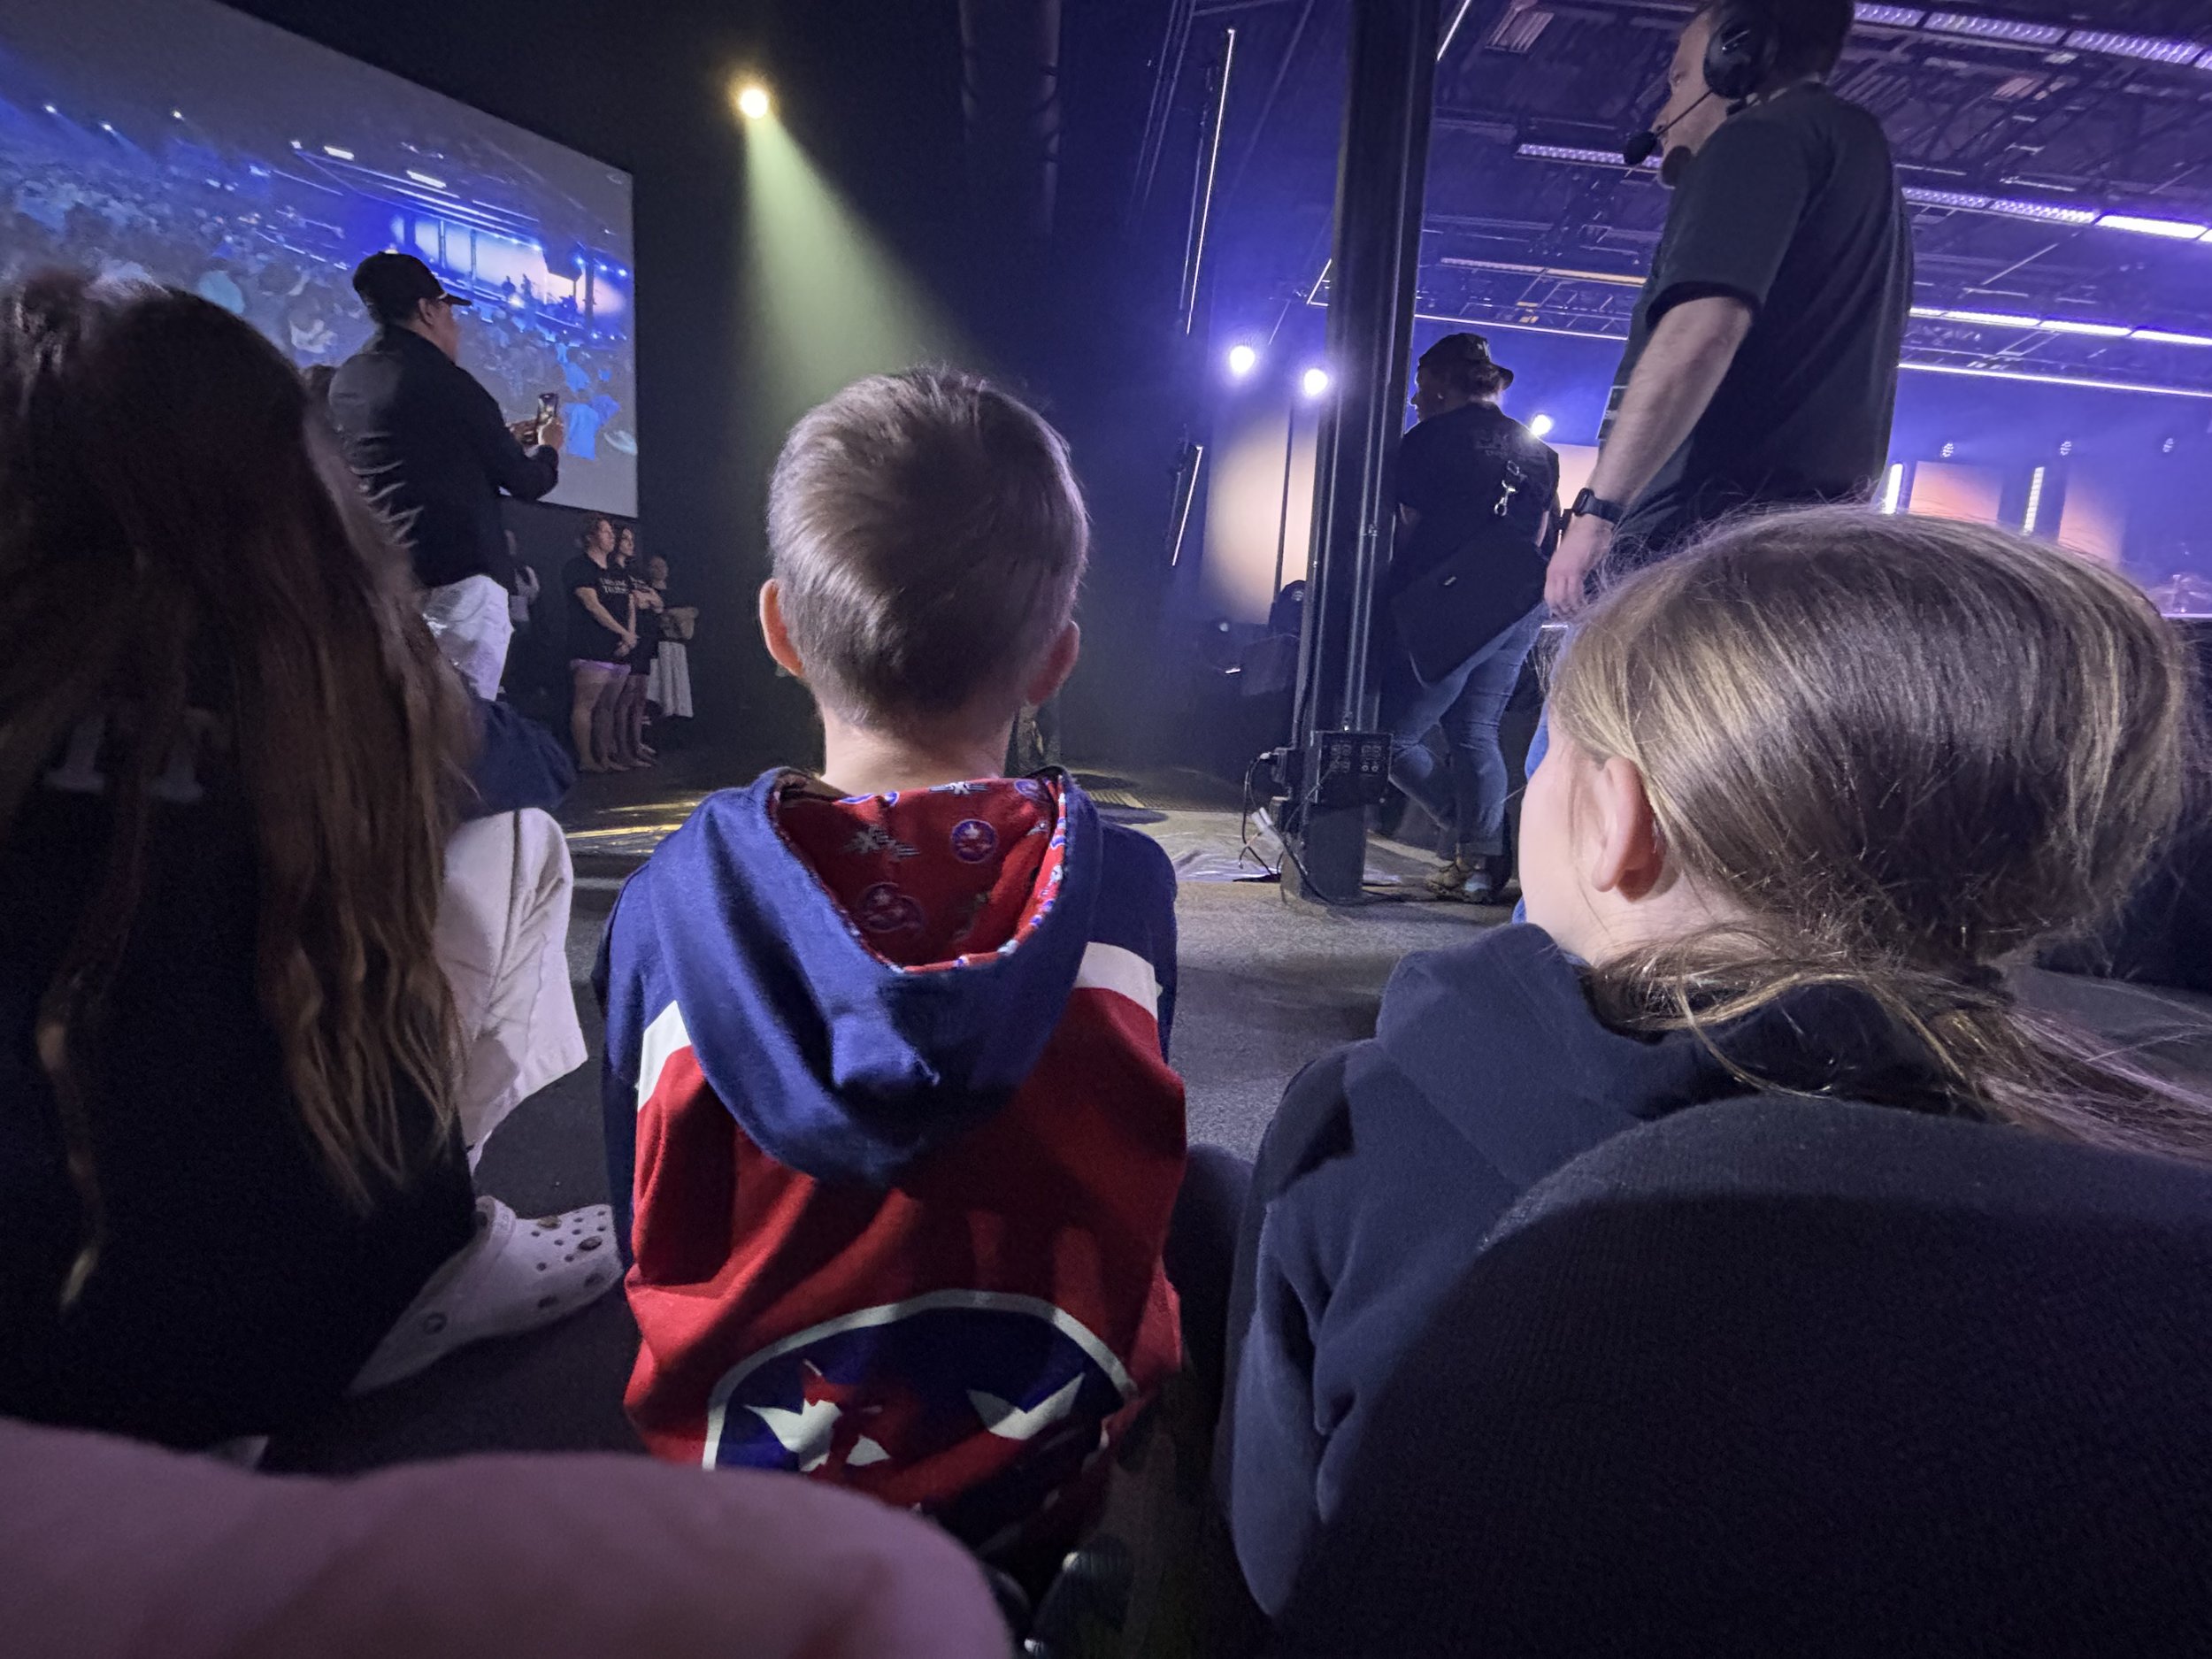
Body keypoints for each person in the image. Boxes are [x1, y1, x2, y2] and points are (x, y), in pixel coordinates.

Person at [1219, 508, 2212, 1618]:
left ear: (1617, 820)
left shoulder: (1371, 1122)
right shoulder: (2144, 1173)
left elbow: (1282, 1567)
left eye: (1555, 753)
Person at [0, 274, 610, 1449]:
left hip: (21, 1357)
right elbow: (532, 768)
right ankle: (446, 1229)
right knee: (514, 837)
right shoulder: (335, 686)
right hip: (291, 1328)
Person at [598, 369, 1187, 1578]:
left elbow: (639, 1222)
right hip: (1037, 1481)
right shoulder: (1123, 890)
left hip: (744, 1496)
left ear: (775, 627)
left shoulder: (667, 906)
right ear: (1056, 658)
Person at [1545, 0, 1909, 614]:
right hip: (1806, 552)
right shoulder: (1859, 152)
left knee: (1611, 711)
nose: (1664, 112)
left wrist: (1597, 513)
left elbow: (1700, 333)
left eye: (1679, 78)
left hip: (1696, 547)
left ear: (1735, 58)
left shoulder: (1759, 137)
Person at [327, 252, 564, 700]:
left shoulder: (350, 379)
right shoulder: (448, 383)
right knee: (464, 728)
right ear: (428, 309)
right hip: (459, 581)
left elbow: (414, 450)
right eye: (450, 310)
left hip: (385, 575)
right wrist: (548, 447)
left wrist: (498, 437)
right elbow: (528, 482)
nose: (455, 324)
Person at [1379, 333, 1558, 903]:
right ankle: (1478, 869)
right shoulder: (1539, 451)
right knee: (1475, 733)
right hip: (1520, 603)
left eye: (1420, 387)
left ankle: (1477, 836)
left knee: (1393, 740)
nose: (1415, 399)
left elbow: (1405, 529)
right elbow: (1543, 530)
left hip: (1452, 607)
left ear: (1438, 383)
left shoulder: (1425, 441)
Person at [563, 517, 636, 772]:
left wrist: (630, 636)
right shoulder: (579, 568)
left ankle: (605, 757)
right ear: (590, 537)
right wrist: (623, 633)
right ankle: (586, 759)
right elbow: (592, 605)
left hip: (619, 649)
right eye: (605, 532)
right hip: (590, 646)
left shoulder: (618, 571)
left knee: (609, 706)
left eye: (611, 532)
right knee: (586, 704)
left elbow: (629, 605)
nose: (611, 536)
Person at [611, 526, 661, 768]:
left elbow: (656, 601)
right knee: (625, 698)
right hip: (629, 637)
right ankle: (623, 750)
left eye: (632, 539)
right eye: (625, 539)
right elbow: (636, 601)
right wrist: (645, 600)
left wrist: (649, 600)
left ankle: (636, 745)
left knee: (640, 697)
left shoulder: (636, 572)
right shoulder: (614, 571)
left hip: (646, 640)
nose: (630, 543)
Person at [644, 552, 697, 726]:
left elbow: (692, 611)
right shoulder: (645, 591)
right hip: (656, 648)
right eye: (655, 566)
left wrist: (675, 615)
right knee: (659, 691)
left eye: (662, 567)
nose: (659, 570)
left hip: (677, 647)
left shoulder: (677, 591)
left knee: (677, 692)